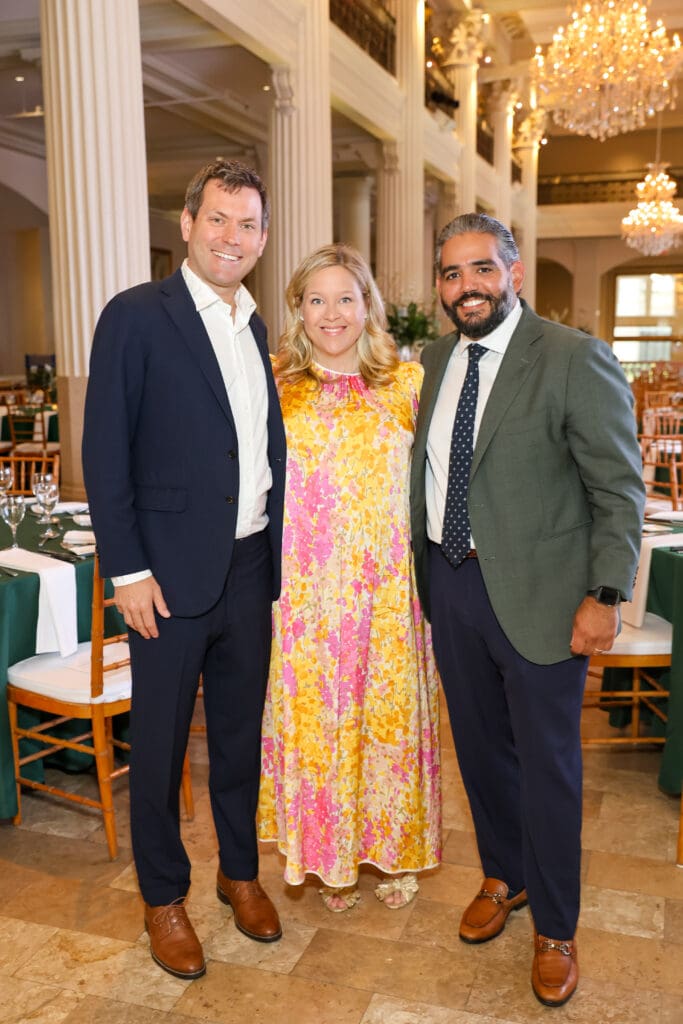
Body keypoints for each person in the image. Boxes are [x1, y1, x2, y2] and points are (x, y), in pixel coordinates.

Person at [410, 213, 645, 1007]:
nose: (464, 287)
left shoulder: (573, 358)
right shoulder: (433, 360)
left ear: (513, 272)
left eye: (479, 269)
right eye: (449, 273)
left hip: (546, 596)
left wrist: (604, 595)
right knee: (477, 752)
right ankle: (502, 876)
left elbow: (617, 489)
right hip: (450, 587)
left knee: (548, 769)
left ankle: (554, 925)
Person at [82, 158, 286, 980]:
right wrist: (126, 571)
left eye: (246, 225)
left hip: (247, 566)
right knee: (161, 747)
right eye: (217, 220)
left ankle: (239, 875)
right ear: (186, 224)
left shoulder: (255, 324)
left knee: (239, 741)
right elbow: (105, 452)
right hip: (163, 578)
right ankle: (163, 897)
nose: (231, 237)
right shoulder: (136, 316)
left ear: (263, 239)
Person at [258, 244, 441, 913]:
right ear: (297, 310)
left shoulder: (409, 384)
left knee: (386, 726)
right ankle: (330, 859)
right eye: (315, 299)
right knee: (320, 727)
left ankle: (391, 856)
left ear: (367, 305)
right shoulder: (275, 387)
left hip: (388, 593)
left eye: (344, 298)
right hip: (305, 596)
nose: (330, 313)